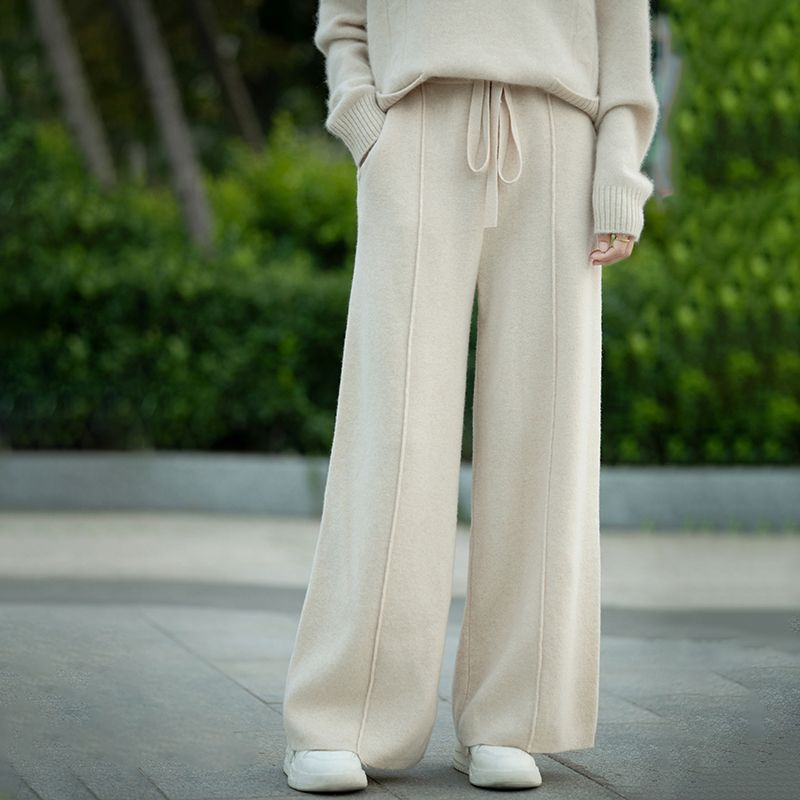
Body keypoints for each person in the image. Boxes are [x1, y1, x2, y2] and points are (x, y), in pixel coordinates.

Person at [282, 0, 659, 792]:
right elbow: (344, 17)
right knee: (394, 431)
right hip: (415, 123)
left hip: (560, 133)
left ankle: (509, 719)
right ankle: (342, 717)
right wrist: (364, 122)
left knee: (545, 438)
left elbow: (622, 34)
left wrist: (618, 171)